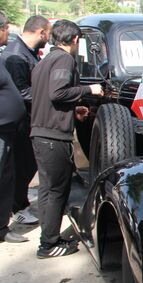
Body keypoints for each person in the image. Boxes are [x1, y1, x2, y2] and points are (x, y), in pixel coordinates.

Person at [30, 19, 103, 258]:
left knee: (47, 190)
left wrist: (73, 111)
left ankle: (48, 238)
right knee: (57, 192)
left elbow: (49, 99)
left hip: (41, 133)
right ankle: (49, 245)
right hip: (53, 138)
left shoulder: (44, 62)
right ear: (74, 40)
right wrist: (88, 90)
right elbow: (58, 92)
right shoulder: (64, 59)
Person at [0, 15, 51, 226]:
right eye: (48, 33)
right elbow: (21, 90)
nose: (49, 37)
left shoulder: (24, 52)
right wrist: (48, 96)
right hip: (17, 126)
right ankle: (16, 207)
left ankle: (18, 202)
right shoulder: (16, 55)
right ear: (41, 32)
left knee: (23, 166)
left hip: (25, 120)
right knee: (18, 167)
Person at [0, 11, 29, 243]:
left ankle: (2, 227)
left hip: (7, 132)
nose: (8, 32)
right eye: (6, 28)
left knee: (6, 179)